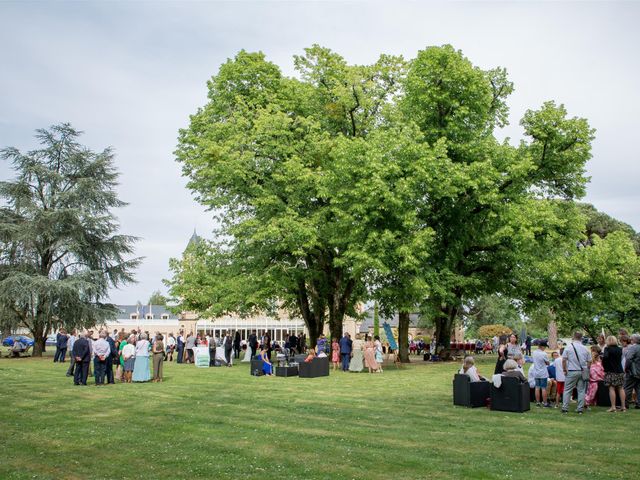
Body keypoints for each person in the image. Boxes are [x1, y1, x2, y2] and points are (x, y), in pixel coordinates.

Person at [561, 331, 591, 414]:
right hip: (582, 371)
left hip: (571, 370)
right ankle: (580, 409)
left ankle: (565, 408)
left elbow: (564, 360)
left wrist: (564, 369)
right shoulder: (585, 348)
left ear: (573, 337)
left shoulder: (568, 347)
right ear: (581, 338)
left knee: (567, 390)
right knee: (581, 390)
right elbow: (589, 361)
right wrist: (586, 369)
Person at [602, 336, 626, 412]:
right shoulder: (620, 349)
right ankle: (623, 406)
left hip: (611, 371)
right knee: (621, 388)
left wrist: (605, 369)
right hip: (620, 371)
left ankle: (613, 407)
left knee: (611, 388)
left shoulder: (607, 349)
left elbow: (605, 359)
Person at [623, 333, 640, 409]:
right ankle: (639, 404)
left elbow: (629, 359)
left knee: (627, 387)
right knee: (638, 388)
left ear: (634, 340)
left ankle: (625, 404)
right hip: (638, 371)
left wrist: (626, 368)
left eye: (631, 339)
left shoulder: (633, 348)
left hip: (632, 371)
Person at [532, 340, 551, 407]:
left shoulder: (534, 352)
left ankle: (537, 402)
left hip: (536, 372)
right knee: (543, 388)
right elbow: (548, 363)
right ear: (542, 346)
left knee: (537, 387)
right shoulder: (544, 354)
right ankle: (545, 402)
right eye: (545, 346)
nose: (545, 348)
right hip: (543, 373)